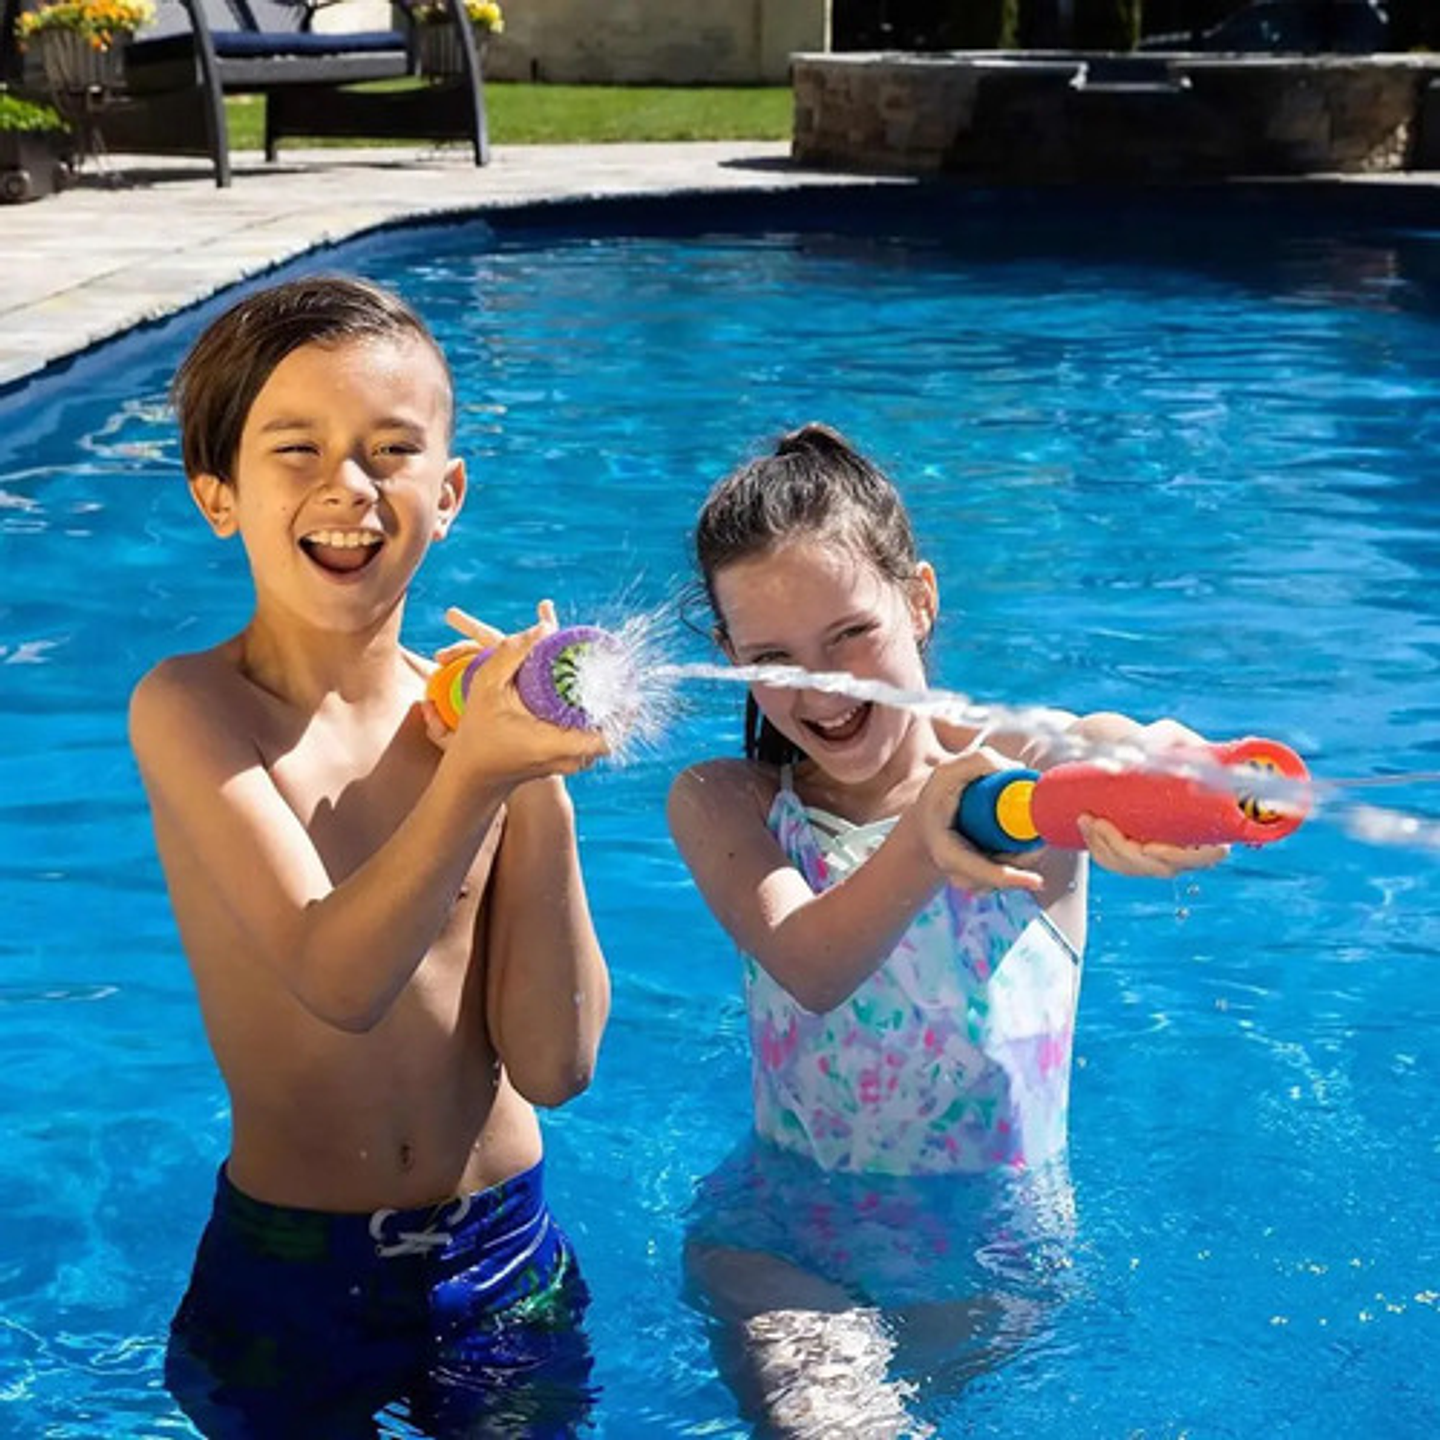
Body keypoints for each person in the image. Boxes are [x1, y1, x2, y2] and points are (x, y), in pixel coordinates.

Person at [667, 423, 1229, 1436]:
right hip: (780, 1243)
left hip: (987, 1256)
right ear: (729, 661)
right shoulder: (727, 804)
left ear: (919, 600)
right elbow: (809, 964)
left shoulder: (1014, 775)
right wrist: (923, 840)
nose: (823, 686)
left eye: (852, 636)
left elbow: (1102, 745)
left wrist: (1165, 770)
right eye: (773, 658)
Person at [128, 275, 612, 1437]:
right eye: (295, 448)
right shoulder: (194, 712)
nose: (349, 487)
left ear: (446, 496)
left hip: (504, 1250)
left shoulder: (474, 734)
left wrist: (536, 786)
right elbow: (336, 976)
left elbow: (555, 1065)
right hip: (293, 1267)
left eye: (391, 451)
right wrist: (480, 774)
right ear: (219, 497)